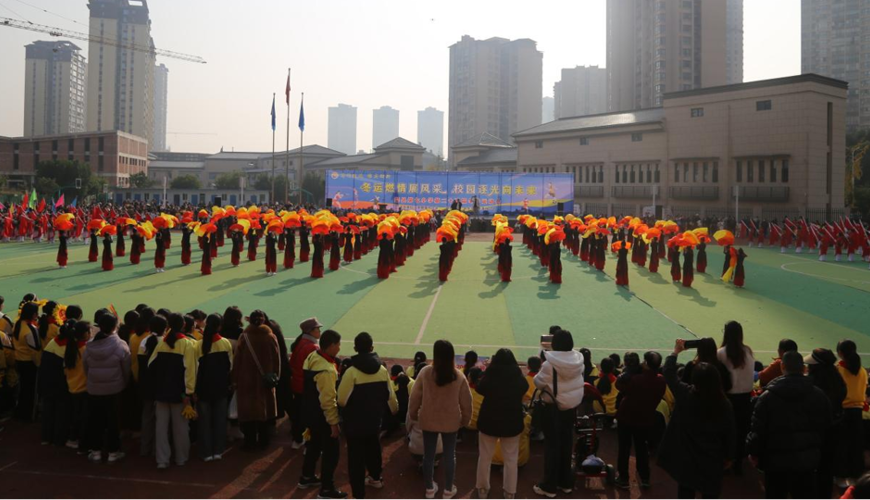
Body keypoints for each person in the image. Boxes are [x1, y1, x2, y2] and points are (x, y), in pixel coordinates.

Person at [747, 351, 832, 500]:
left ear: (782, 366)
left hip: (775, 463)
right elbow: (826, 428)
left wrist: (753, 452)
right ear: (803, 369)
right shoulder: (819, 395)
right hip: (807, 462)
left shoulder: (767, 397)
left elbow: (757, 430)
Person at [660, 339, 735, 500]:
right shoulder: (724, 404)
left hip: (688, 455)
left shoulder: (686, 394)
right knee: (710, 493)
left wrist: (675, 352)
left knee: (685, 491)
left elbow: (668, 373)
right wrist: (729, 456)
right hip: (712, 456)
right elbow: (729, 432)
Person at [337, 332, 398, 500]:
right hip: (374, 421)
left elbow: (341, 400)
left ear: (356, 348)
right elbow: (391, 398)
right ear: (372, 347)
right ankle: (376, 478)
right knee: (374, 449)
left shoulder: (351, 372)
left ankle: (358, 495)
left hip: (354, 424)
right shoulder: (383, 370)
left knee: (355, 458)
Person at [409, 340, 472, 500]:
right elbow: (467, 402)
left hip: (428, 419)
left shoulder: (425, 372)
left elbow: (415, 397)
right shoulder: (458, 376)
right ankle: (448, 490)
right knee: (450, 455)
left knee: (428, 455)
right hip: (450, 421)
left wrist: (413, 414)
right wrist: (465, 421)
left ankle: (429, 488)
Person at [532, 330, 585, 498]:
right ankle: (566, 482)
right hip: (570, 407)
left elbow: (538, 382)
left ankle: (549, 486)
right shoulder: (578, 361)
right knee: (566, 444)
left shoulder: (550, 364)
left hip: (553, 409)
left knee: (552, 447)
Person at [475, 348, 528, 500]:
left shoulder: (490, 374)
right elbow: (524, 387)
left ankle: (483, 489)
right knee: (511, 459)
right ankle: (510, 492)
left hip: (488, 422)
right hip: (512, 423)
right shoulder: (517, 376)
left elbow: (479, 387)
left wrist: (487, 369)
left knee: (485, 457)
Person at [299, 329, 345, 499]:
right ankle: (327, 488)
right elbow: (328, 401)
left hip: (309, 411)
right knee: (332, 452)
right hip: (321, 416)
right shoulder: (327, 370)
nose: (339, 348)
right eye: (338, 345)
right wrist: (333, 424)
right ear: (332, 345)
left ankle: (307, 476)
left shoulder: (312, 357)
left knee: (313, 445)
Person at [147, 313, 197, 469]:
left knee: (161, 428)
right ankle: (181, 458)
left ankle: (162, 460)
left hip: (161, 392)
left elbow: (150, 365)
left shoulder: (162, 343)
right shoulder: (188, 344)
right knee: (181, 427)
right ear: (183, 325)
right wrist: (189, 393)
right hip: (180, 394)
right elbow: (190, 371)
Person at [83, 313, 131, 464]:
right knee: (113, 422)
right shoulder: (120, 344)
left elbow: (86, 368)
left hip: (94, 389)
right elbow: (126, 369)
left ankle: (96, 451)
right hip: (114, 389)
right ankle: (113, 452)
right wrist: (123, 382)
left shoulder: (89, 346)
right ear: (114, 326)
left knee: (95, 420)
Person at [614, 351, 667, 490]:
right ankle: (644, 478)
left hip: (626, 417)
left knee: (624, 448)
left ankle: (624, 478)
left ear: (647, 364)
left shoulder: (635, 379)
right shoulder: (661, 380)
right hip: (645, 419)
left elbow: (619, 386)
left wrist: (629, 372)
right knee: (641, 448)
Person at [233, 310, 280, 451]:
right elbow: (277, 360)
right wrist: (275, 377)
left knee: (248, 413)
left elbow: (237, 360)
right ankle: (264, 440)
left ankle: (250, 441)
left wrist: (235, 379)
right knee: (264, 412)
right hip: (265, 380)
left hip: (246, 381)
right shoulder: (270, 336)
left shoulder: (244, 337)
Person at [805, 348, 847, 499]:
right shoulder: (838, 380)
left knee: (811, 468)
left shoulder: (812, 384)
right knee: (827, 469)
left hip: (815, 432)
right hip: (834, 429)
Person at [717, 320, 755, 474]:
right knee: (741, 431)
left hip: (728, 398)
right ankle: (738, 463)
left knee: (725, 431)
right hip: (745, 398)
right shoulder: (748, 351)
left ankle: (726, 461)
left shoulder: (721, 353)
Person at [195, 313, 232, 462]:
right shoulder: (225, 343)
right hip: (221, 388)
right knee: (219, 420)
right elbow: (230, 367)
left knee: (204, 422)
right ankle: (218, 450)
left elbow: (195, 370)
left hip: (203, 390)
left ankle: (206, 452)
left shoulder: (198, 345)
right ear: (219, 326)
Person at [835, 340, 868, 488]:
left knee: (842, 444)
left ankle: (842, 476)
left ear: (840, 353)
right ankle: (856, 476)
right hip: (858, 412)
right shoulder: (862, 371)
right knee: (856, 445)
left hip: (843, 411)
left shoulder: (838, 370)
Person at [290, 317, 323, 449]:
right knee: (310, 416)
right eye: (317, 329)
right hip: (307, 387)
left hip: (297, 384)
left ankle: (297, 439)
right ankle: (307, 442)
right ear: (311, 331)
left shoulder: (300, 343)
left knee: (298, 415)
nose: (319, 331)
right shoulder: (312, 347)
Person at [63, 320, 90, 454]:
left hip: (72, 386)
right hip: (84, 387)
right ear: (84, 334)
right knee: (83, 418)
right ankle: (82, 445)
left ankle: (72, 439)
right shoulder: (85, 349)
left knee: (76, 415)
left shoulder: (70, 347)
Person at [11, 301, 40, 421]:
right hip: (29, 363)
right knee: (31, 391)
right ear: (33, 314)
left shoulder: (18, 323)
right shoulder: (30, 329)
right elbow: (35, 351)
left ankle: (20, 411)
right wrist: (39, 365)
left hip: (18, 360)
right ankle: (28, 415)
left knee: (23, 388)